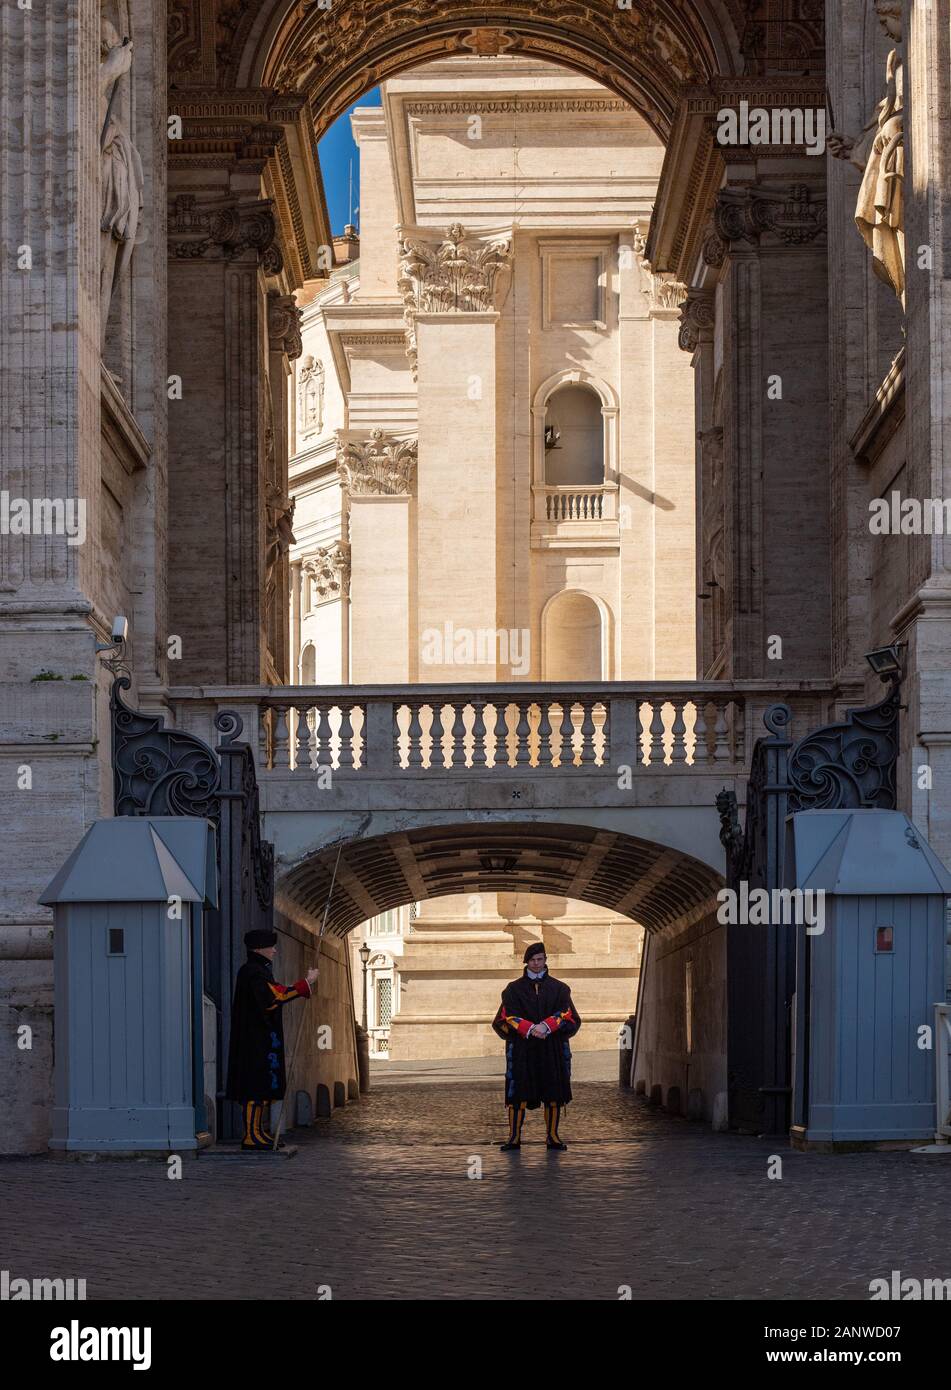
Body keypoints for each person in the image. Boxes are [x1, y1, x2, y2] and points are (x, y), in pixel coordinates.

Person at [226, 929, 318, 1151]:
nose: (275, 950)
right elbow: (276, 996)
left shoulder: (258, 970)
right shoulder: (253, 972)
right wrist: (306, 983)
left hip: (262, 1041)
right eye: (271, 946)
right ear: (259, 949)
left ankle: (258, 1132)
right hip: (254, 1042)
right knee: (254, 1089)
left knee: (262, 1089)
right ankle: (251, 1135)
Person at [491, 943, 581, 1151]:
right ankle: (514, 1137)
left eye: (540, 959)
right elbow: (503, 1019)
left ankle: (553, 1136)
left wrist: (548, 1027)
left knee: (553, 1094)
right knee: (518, 1095)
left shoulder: (560, 988)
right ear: (526, 962)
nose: (536, 963)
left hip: (552, 1049)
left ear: (545, 960)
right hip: (524, 1050)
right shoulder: (513, 989)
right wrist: (530, 1029)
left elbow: (570, 1016)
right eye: (532, 960)